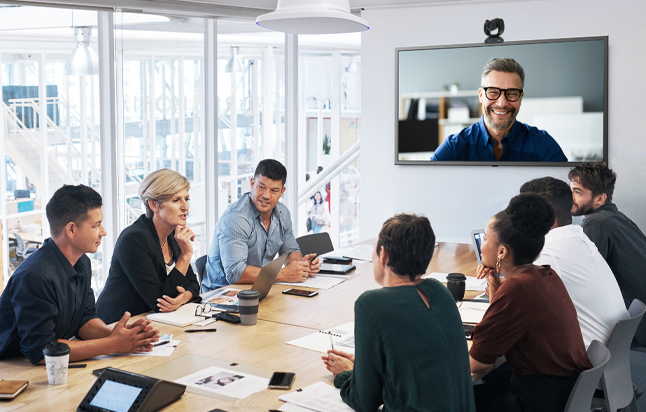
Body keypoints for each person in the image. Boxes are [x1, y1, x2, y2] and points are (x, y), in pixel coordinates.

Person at [0, 185, 159, 366]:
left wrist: (119, 335)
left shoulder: (81, 262)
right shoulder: (36, 276)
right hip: (0, 369)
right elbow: (42, 351)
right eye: (96, 225)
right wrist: (111, 344)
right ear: (71, 230)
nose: (103, 232)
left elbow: (85, 321)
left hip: (41, 365)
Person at [321, 214, 475, 411]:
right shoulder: (440, 291)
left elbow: (364, 402)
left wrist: (347, 375)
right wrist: (363, 370)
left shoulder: (371, 304)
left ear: (383, 254)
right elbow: (416, 367)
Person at [471, 193, 591, 412]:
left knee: (449, 395)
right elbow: (501, 326)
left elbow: (478, 362)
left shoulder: (518, 289)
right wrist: (495, 285)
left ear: (502, 252)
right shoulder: (544, 274)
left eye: (486, 239)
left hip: (536, 399)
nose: (481, 246)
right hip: (561, 390)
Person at [520, 177, 628, 348]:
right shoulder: (579, 237)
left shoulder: (548, 251)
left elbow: (520, 308)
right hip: (604, 350)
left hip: (583, 357)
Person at [96, 169, 201, 324]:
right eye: (176, 200)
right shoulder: (134, 239)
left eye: (186, 199)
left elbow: (193, 284)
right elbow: (160, 301)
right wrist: (185, 256)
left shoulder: (174, 234)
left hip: (150, 320)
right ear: (154, 205)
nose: (185, 207)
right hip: (116, 325)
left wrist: (183, 297)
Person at [203, 159, 321, 292]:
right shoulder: (236, 218)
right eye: (261, 187)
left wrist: (301, 265)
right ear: (252, 183)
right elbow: (235, 273)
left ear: (282, 191)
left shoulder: (283, 213)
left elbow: (291, 251)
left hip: (260, 289)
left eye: (274, 190)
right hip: (221, 296)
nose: (266, 196)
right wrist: (284, 274)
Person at [568, 162, 646, 346]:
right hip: (640, 322)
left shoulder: (596, 223)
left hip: (625, 331)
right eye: (571, 190)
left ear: (600, 199)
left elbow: (584, 280)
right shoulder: (619, 219)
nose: (570, 197)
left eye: (578, 192)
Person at [431, 57, 567, 162]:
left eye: (512, 93)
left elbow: (567, 192)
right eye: (493, 92)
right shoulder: (454, 147)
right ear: (480, 95)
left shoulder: (542, 143)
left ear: (520, 98)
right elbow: (426, 187)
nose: (502, 103)